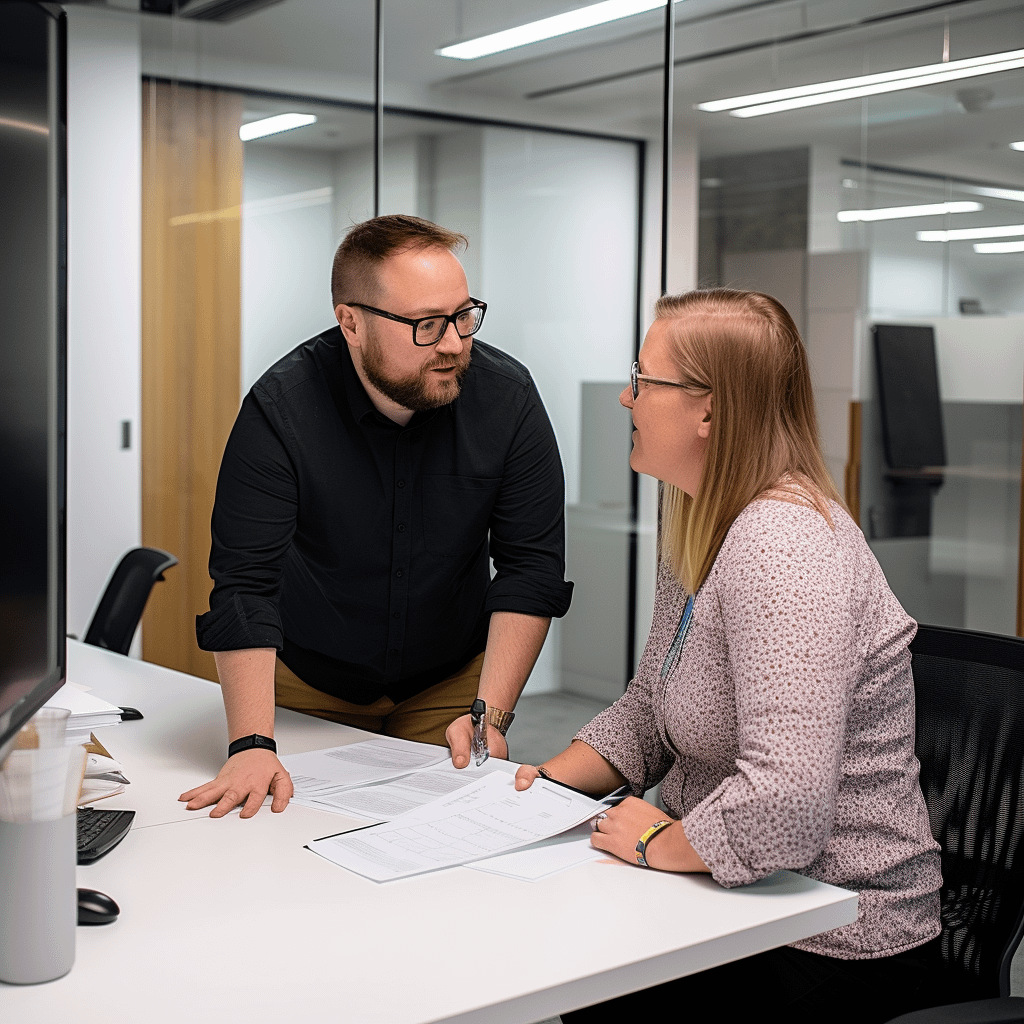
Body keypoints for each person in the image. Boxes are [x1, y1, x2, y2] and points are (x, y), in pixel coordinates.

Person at [515, 289, 944, 1023]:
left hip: (833, 932)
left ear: (708, 411)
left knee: (588, 987)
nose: (626, 397)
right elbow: (653, 707)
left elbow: (788, 803)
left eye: (643, 381)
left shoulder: (786, 545)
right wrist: (543, 790)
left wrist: (655, 841)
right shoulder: (701, 518)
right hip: (726, 893)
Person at [181, 215, 572, 819]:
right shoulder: (281, 409)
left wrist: (491, 714)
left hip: (451, 683)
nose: (453, 343)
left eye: (464, 315)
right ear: (351, 322)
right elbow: (245, 586)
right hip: (309, 679)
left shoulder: (507, 399)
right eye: (426, 325)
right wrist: (252, 743)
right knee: (288, 843)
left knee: (438, 846)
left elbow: (530, 568)